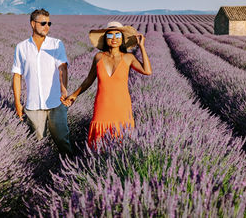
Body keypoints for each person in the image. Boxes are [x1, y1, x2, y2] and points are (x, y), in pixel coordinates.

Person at [63, 21, 152, 149]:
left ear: (122, 39)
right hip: (102, 105)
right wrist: (74, 95)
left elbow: (147, 71)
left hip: (121, 106)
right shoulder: (98, 57)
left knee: (121, 142)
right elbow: (89, 79)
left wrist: (142, 47)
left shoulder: (128, 57)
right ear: (105, 39)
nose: (114, 39)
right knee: (99, 142)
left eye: (118, 35)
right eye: (110, 36)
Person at [11, 9, 72, 155]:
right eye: (43, 23)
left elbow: (62, 67)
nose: (47, 26)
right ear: (33, 24)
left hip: (56, 102)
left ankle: (72, 171)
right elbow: (17, 76)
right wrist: (17, 103)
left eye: (49, 23)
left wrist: (64, 90)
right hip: (33, 105)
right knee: (38, 145)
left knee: (63, 140)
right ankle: (43, 173)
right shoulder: (21, 47)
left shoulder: (56, 44)